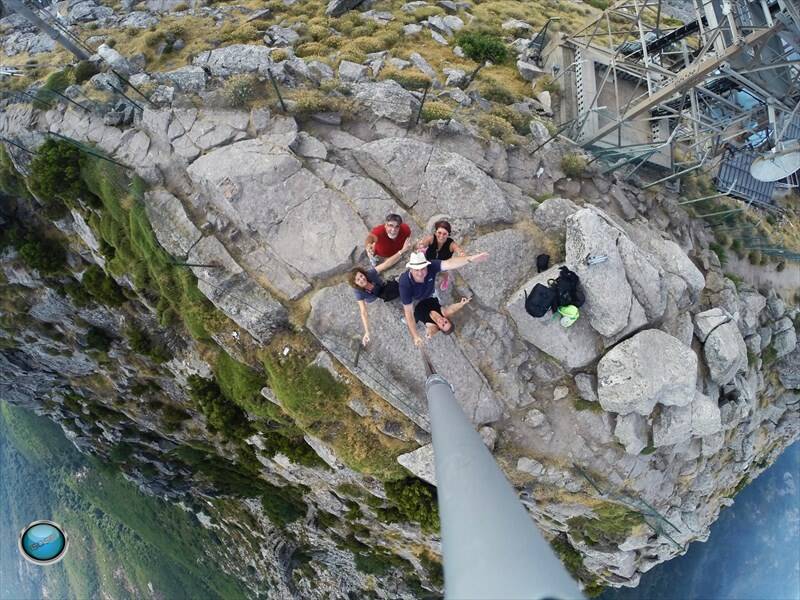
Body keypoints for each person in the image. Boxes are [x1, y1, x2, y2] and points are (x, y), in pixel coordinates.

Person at [399, 250, 489, 347]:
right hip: (427, 297)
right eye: (417, 269)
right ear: (411, 269)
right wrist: (470, 259)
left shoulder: (433, 327)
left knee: (412, 317)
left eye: (442, 325)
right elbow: (450, 263)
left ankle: (410, 320)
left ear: (438, 327)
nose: (420, 273)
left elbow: (411, 314)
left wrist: (418, 336)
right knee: (412, 303)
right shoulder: (405, 283)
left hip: (418, 305)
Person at [350, 239, 411, 346]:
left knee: (396, 286)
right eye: (358, 280)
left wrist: (402, 250)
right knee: (384, 295)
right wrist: (367, 332)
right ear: (355, 284)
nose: (361, 279)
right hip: (373, 296)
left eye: (361, 276)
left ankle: (374, 260)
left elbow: (386, 264)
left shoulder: (369, 274)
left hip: (383, 286)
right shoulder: (359, 293)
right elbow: (363, 312)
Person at [417, 220, 465, 291]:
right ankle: (424, 252)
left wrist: (461, 254)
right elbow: (421, 244)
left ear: (448, 234)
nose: (441, 236)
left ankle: (446, 278)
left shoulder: (451, 244)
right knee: (426, 269)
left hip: (443, 263)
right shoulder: (431, 238)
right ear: (435, 232)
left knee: (444, 272)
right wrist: (420, 246)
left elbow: (458, 250)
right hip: (429, 259)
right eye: (439, 233)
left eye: (444, 234)